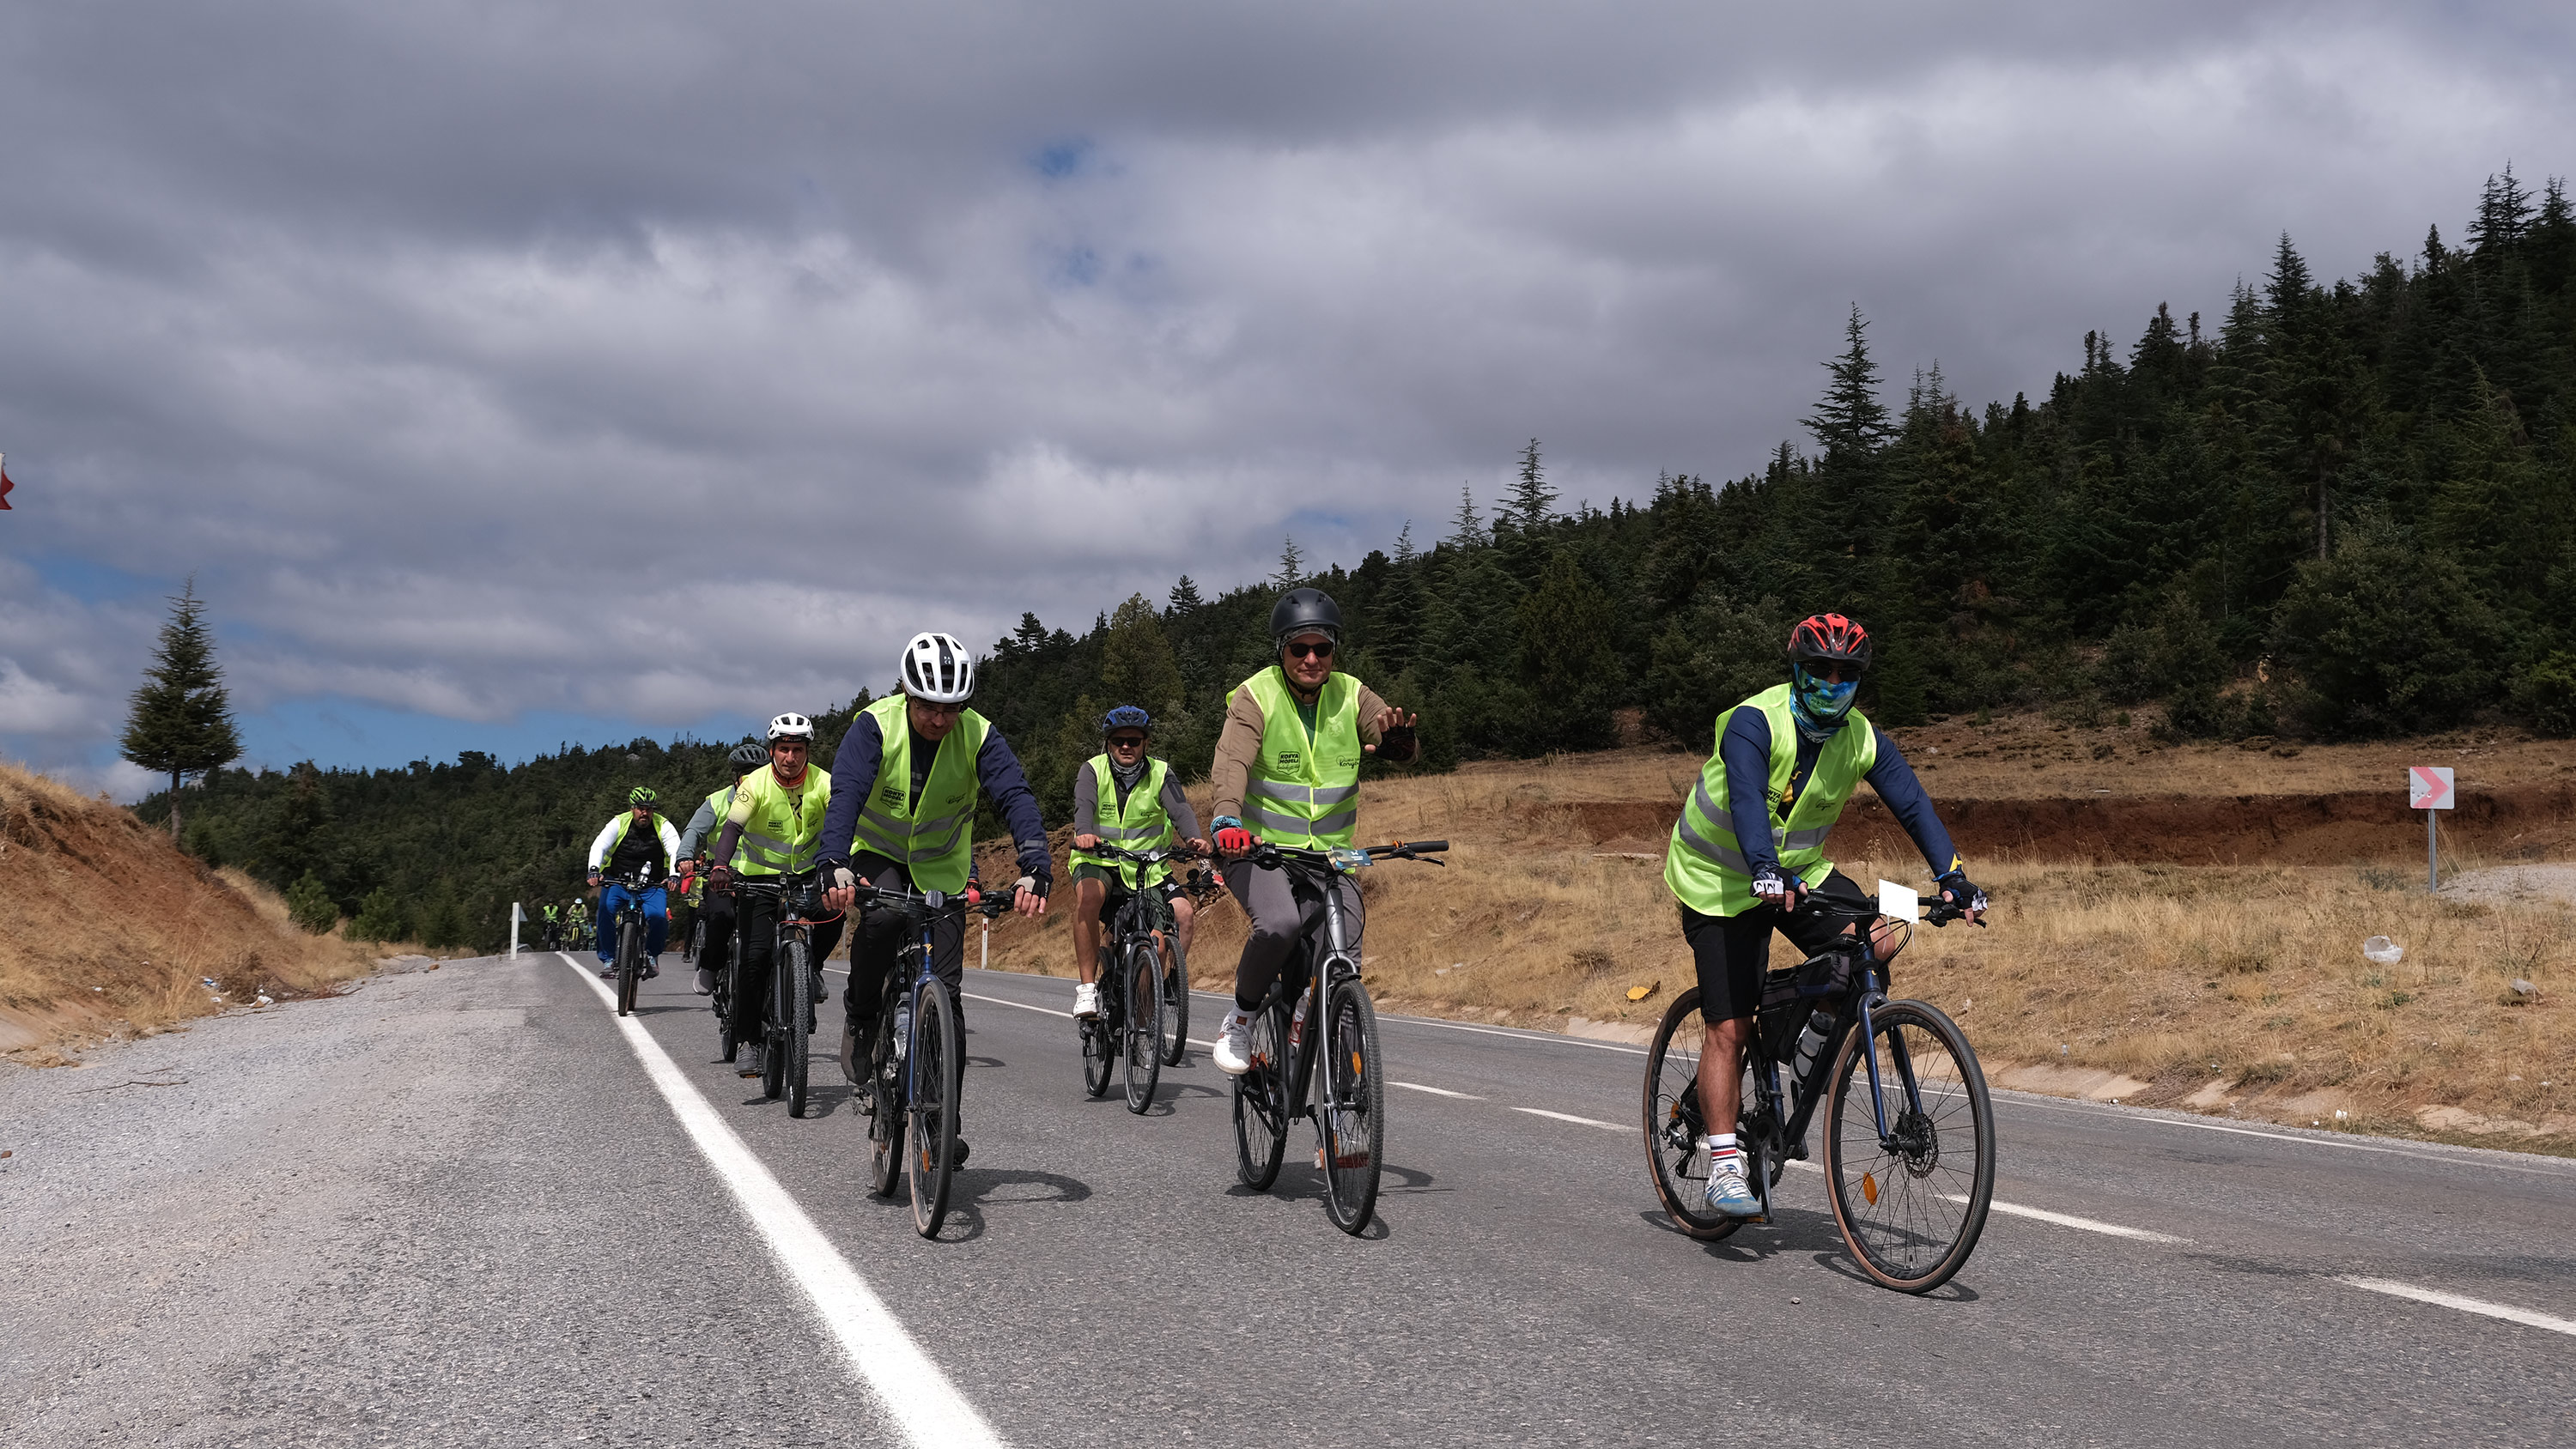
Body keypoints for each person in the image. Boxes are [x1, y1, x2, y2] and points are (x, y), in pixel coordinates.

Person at [1663, 612, 1988, 1218]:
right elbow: (1747, 803)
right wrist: (1762, 868)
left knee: (1882, 937)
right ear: (1797, 670)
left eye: (1845, 674)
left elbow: (1912, 802)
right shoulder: (1753, 722)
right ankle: (1726, 1161)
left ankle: (1797, 1053)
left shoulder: (1861, 737)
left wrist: (1954, 878)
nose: (1831, 683)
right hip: (1719, 879)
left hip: (1796, 870)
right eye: (1819, 670)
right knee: (1729, 1026)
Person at [820, 631, 1051, 1166]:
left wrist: (1035, 866)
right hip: (875, 855)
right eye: (928, 706)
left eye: (951, 708)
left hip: (942, 867)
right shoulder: (874, 727)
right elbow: (847, 794)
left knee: (947, 994)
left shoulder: (981, 737)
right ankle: (860, 1017)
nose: (939, 719)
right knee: (879, 922)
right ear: (906, 693)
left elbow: (1015, 795)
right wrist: (832, 862)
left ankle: (944, 1122)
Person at [1207, 588, 1418, 1075]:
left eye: (1322, 648)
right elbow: (1233, 762)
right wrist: (1226, 818)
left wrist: (1400, 746)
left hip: (1332, 858)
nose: (1311, 658)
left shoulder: (1353, 694)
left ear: (1334, 651)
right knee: (1279, 924)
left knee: (1344, 958)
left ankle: (1344, 1109)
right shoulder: (1255, 696)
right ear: (1280, 650)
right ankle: (1239, 1019)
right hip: (1260, 852)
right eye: (1298, 648)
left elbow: (1387, 729)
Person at [710, 717, 845, 1067]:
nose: (790, 757)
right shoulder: (754, 784)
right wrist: (721, 866)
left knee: (836, 912)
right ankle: (748, 1042)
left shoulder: (825, 782)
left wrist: (846, 867)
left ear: (807, 752)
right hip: (759, 881)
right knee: (753, 961)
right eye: (783, 749)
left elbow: (845, 822)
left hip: (808, 876)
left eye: (797, 750)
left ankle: (809, 968)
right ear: (772, 751)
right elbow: (733, 826)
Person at [1067, 706, 1209, 1019]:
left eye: (1134, 740)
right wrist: (1085, 834)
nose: (1126, 746)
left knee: (1179, 919)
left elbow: (1181, 809)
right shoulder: (1092, 770)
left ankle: (1159, 991)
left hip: (1148, 866)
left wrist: (1193, 839)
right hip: (1099, 861)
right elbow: (1084, 805)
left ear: (1146, 743)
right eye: (1119, 741)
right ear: (1108, 744)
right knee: (1089, 897)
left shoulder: (1161, 772)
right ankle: (1087, 990)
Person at [679, 742, 771, 997]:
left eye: (758, 772)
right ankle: (709, 967)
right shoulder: (717, 802)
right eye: (746, 773)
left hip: (760, 875)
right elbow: (693, 831)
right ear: (736, 777)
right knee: (723, 917)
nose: (752, 779)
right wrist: (685, 856)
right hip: (723, 876)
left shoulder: (773, 799)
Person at [586, 786, 683, 978]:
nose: (645, 813)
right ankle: (609, 959)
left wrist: (674, 875)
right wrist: (594, 869)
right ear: (632, 808)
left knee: (658, 918)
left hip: (652, 884)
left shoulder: (664, 825)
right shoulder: (619, 822)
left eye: (649, 808)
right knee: (605, 910)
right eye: (640, 808)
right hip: (618, 881)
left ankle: (652, 956)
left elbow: (675, 851)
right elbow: (600, 845)